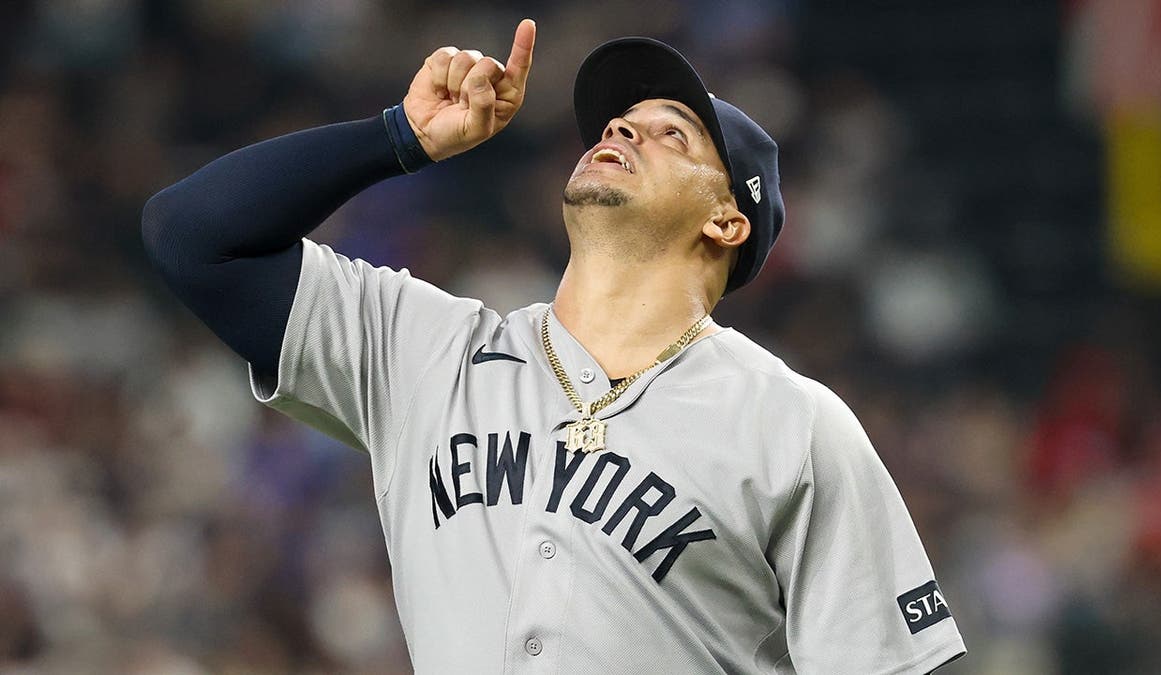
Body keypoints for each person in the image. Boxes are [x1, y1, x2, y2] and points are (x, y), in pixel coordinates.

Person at [142, 19, 966, 674]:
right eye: (618, 122)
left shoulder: (793, 423)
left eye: (671, 133)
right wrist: (400, 137)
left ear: (727, 220)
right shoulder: (426, 349)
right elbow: (191, 235)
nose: (622, 130)